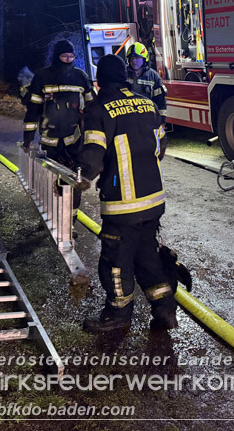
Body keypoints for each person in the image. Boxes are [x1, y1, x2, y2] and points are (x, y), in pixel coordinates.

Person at [78, 54, 177, 333]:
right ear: (125, 77)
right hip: (154, 200)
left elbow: (93, 159)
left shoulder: (99, 109)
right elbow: (161, 147)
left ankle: (117, 316)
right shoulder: (147, 104)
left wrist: (78, 179)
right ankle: (165, 311)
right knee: (148, 258)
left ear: (99, 82)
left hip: (123, 205)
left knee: (116, 262)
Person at [23, 40, 95, 214]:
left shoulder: (80, 76)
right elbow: (33, 110)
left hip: (74, 139)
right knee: (50, 178)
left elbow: (93, 106)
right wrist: (28, 140)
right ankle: (52, 213)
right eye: (64, 56)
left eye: (71, 56)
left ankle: (71, 218)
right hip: (50, 140)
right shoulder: (43, 76)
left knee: (74, 178)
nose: (68, 59)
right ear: (57, 56)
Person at [126, 42, 167, 123]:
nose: (134, 61)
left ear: (144, 59)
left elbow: (160, 101)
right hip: (128, 120)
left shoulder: (153, 76)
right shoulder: (123, 75)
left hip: (148, 120)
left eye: (137, 58)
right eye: (131, 58)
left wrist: (162, 121)